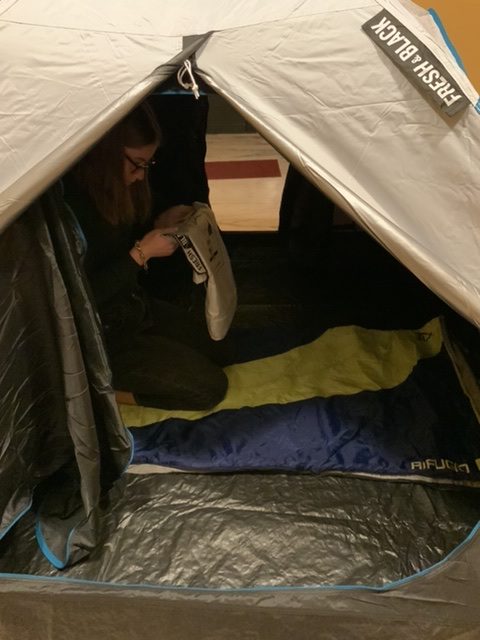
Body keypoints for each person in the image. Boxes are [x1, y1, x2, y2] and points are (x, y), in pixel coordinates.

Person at [63, 101, 229, 410]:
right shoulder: (70, 207)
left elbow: (133, 220)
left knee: (220, 348)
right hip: (101, 334)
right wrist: (140, 255)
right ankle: (98, 392)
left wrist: (164, 218)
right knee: (209, 388)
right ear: (107, 155)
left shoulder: (118, 187)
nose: (141, 175)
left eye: (148, 165)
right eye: (137, 163)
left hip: (132, 308)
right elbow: (78, 300)